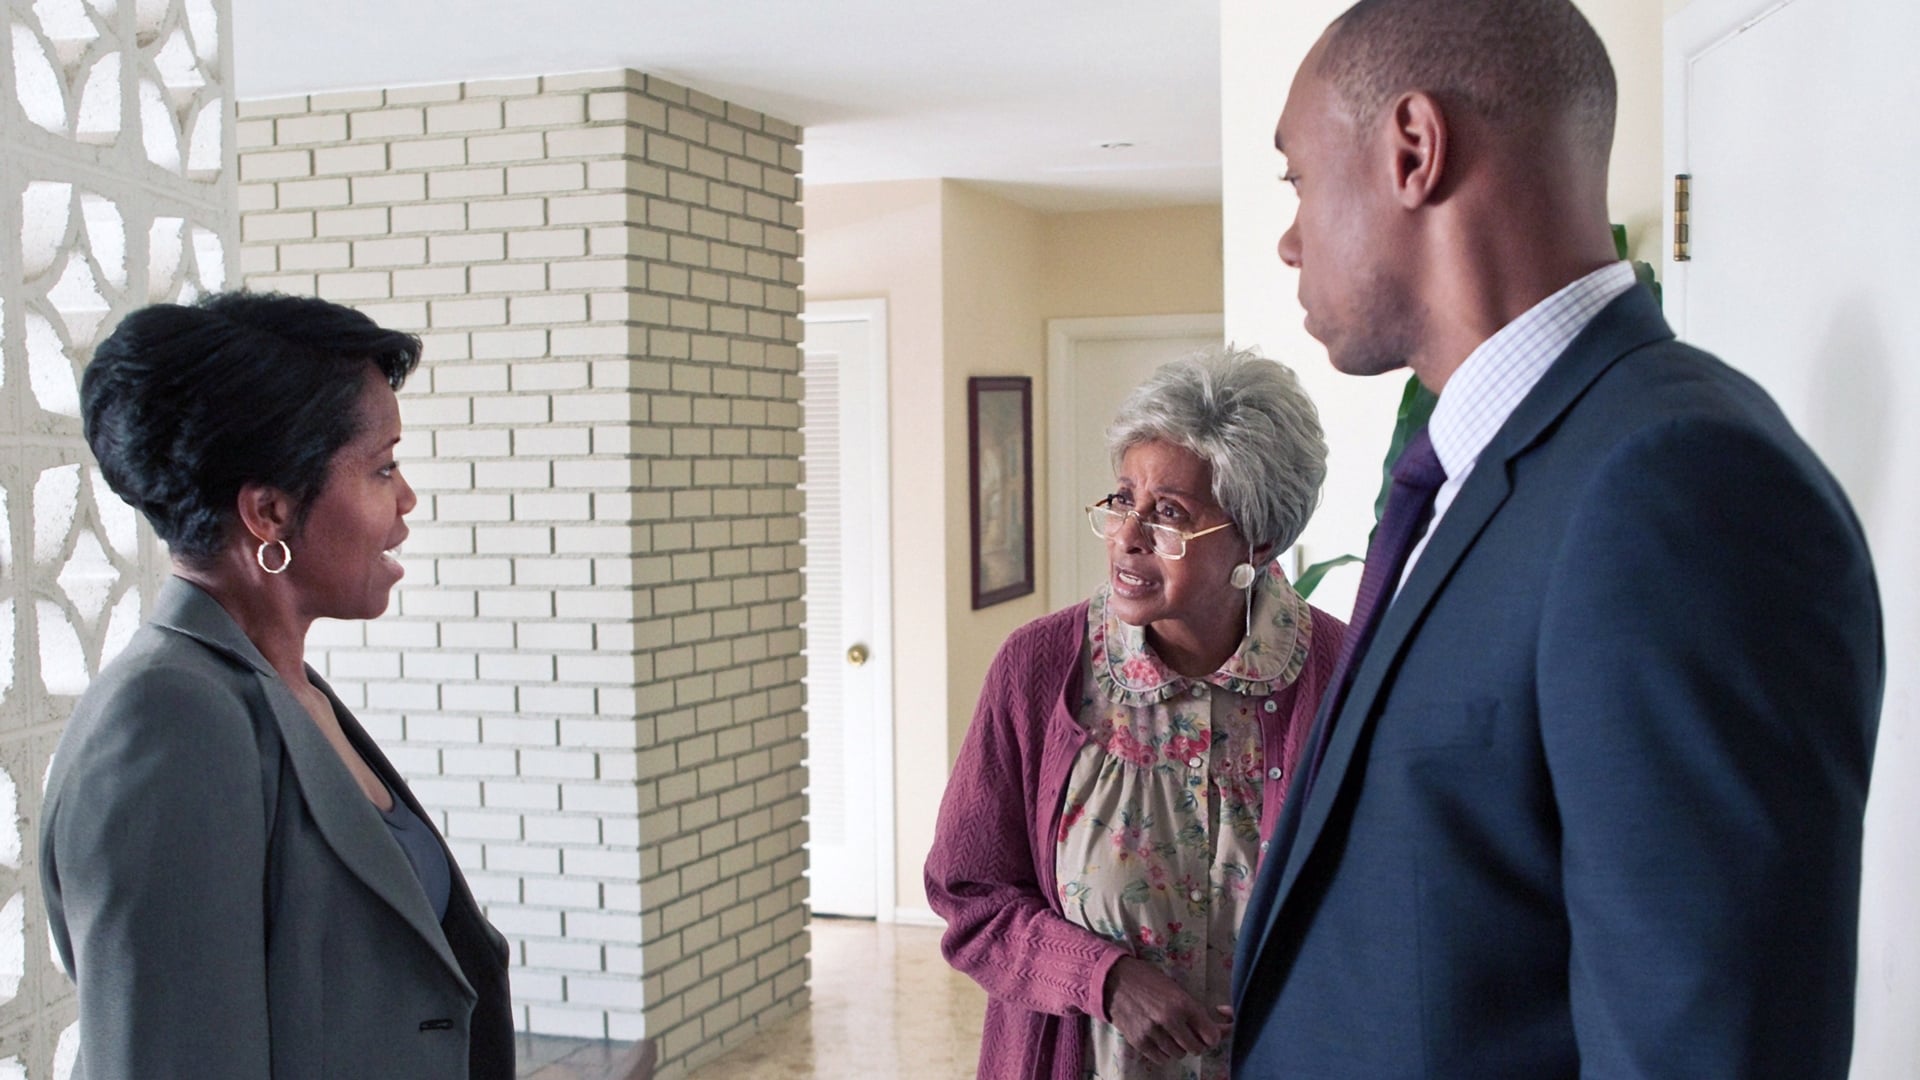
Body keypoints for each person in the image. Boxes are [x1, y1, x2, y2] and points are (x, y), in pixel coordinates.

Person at [1231, 2, 1883, 1077]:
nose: (1290, 238)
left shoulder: (1678, 486)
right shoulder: (1489, 470)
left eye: (1296, 177)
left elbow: (1700, 1048)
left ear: (1413, 149)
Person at [40, 292, 514, 1079]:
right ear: (268, 512)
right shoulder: (170, 723)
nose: (406, 500)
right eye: (382, 468)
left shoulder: (285, 689)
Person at [927, 346, 1346, 1080]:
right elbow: (970, 896)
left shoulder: (1345, 677)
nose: (1127, 535)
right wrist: (1106, 980)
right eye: (1123, 499)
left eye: (1170, 513)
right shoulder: (1039, 669)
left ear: (1259, 538)